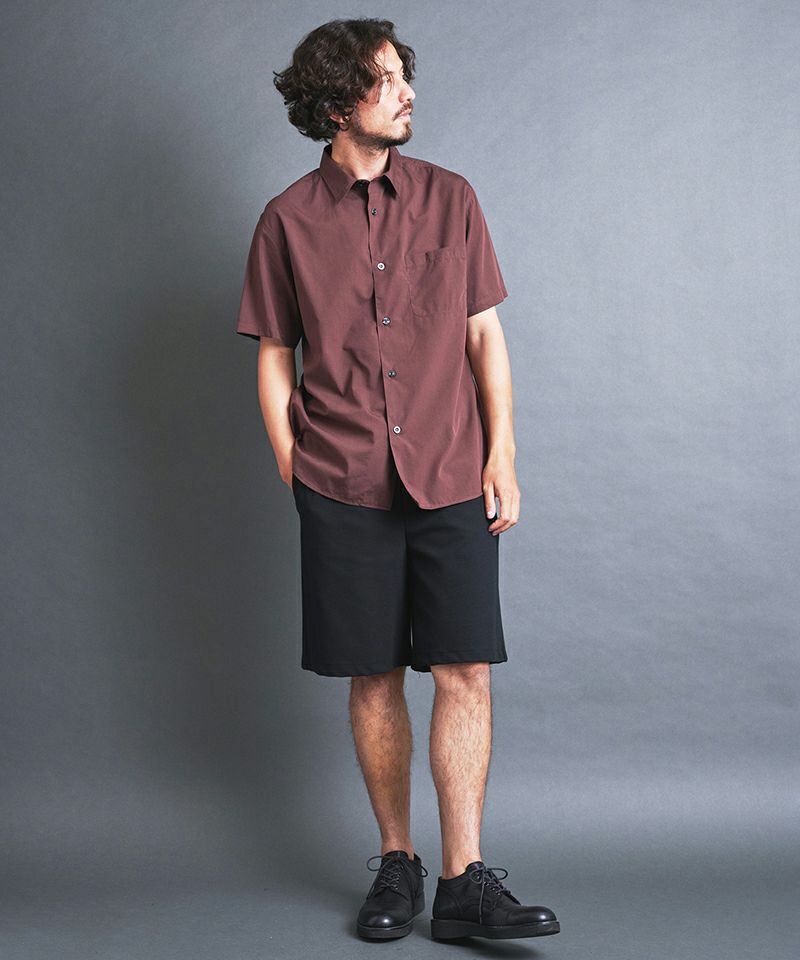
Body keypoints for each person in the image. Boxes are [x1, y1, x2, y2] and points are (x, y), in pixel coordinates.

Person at [235, 17, 560, 943]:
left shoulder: (452, 199)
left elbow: (484, 334)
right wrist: (293, 464)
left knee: (466, 671)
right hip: (341, 482)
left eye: (402, 76)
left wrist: (502, 455)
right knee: (373, 677)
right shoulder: (287, 220)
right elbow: (274, 351)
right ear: (339, 102)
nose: (407, 93)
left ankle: (465, 882)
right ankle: (397, 864)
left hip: (451, 471)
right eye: (384, 81)